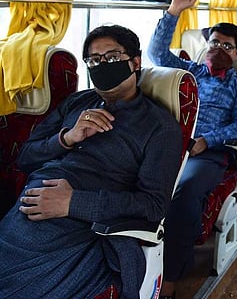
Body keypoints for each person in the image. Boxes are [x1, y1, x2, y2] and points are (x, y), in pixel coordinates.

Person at [0, 25, 183, 298]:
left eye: (111, 58)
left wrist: (72, 203)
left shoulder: (159, 128)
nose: (101, 65)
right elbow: (25, 158)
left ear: (135, 62)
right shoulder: (76, 103)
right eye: (94, 60)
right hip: (25, 212)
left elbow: (154, 206)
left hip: (82, 226)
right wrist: (67, 138)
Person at [147, 0, 237, 299]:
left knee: (186, 191)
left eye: (227, 46)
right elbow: (156, 53)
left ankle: (173, 274)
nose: (219, 49)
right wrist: (174, 10)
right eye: (214, 42)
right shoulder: (189, 71)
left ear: (236, 53)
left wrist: (209, 140)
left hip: (209, 152)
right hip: (172, 144)